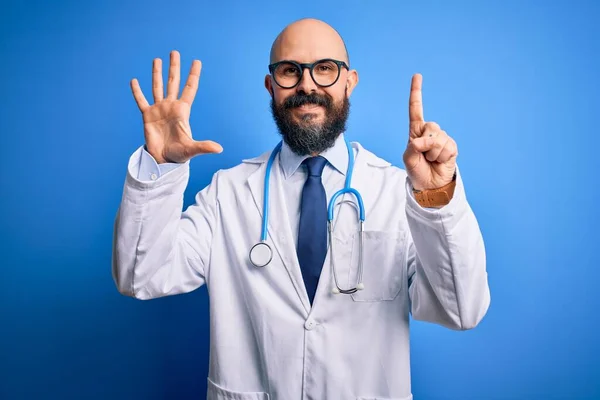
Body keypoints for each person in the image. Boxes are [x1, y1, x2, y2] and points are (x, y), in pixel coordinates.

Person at [112, 17, 490, 400]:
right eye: (290, 70)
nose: (307, 84)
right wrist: (159, 165)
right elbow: (140, 275)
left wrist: (436, 196)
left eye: (324, 68)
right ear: (270, 85)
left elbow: (462, 309)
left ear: (350, 81)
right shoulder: (227, 193)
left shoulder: (395, 191)